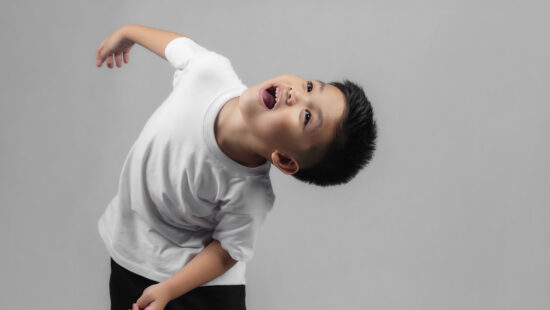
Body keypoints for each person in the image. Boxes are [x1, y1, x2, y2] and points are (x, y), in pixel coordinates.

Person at [95, 24, 377, 310]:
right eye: (309, 87)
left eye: (306, 116)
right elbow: (178, 45)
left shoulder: (250, 193)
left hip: (199, 289)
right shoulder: (210, 73)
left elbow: (226, 253)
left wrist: (169, 289)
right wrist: (128, 32)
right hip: (131, 255)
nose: (296, 94)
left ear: (285, 160)